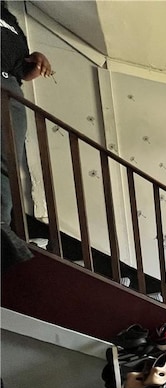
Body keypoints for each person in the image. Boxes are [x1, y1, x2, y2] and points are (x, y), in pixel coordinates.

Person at [1, 0, 53, 225]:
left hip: (10, 87)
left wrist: (35, 61)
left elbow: (21, 68)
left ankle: (1, 225)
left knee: (7, 160)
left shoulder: (8, 17)